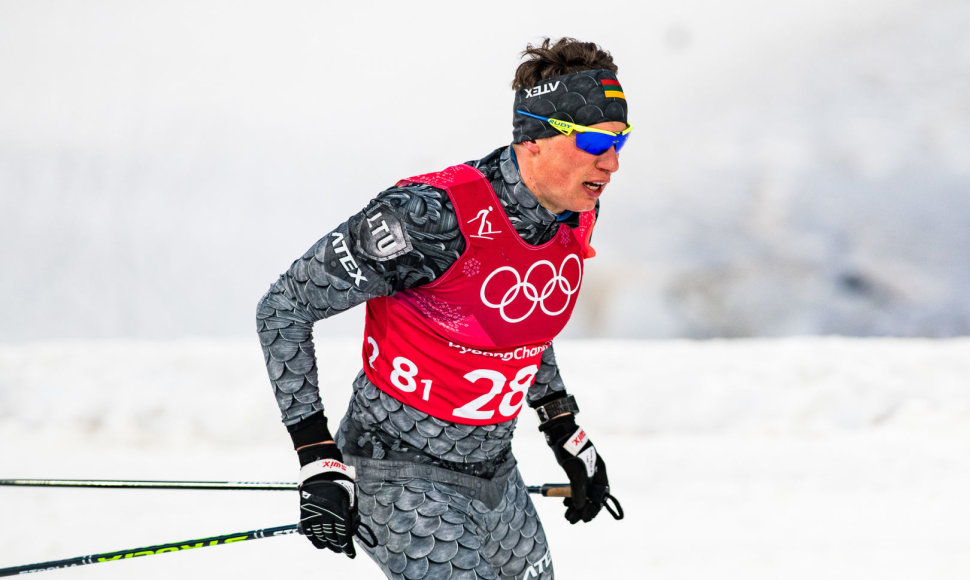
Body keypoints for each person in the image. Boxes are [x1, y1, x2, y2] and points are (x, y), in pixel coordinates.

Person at [257, 37, 630, 580]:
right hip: (398, 470)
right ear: (533, 141)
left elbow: (521, 320)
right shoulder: (427, 219)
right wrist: (317, 457)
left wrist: (563, 426)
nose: (613, 163)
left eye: (621, 141)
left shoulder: (574, 210)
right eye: (595, 140)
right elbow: (283, 307)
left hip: (493, 469)